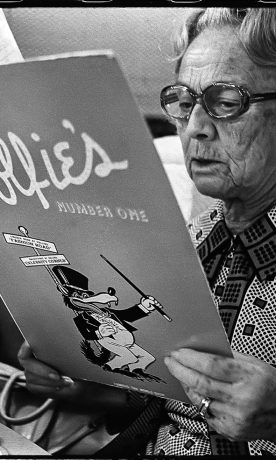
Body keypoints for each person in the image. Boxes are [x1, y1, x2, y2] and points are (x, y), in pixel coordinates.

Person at [18, 7, 276, 456]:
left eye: (227, 102)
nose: (195, 128)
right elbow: (162, 403)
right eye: (184, 101)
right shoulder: (187, 241)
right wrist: (74, 384)